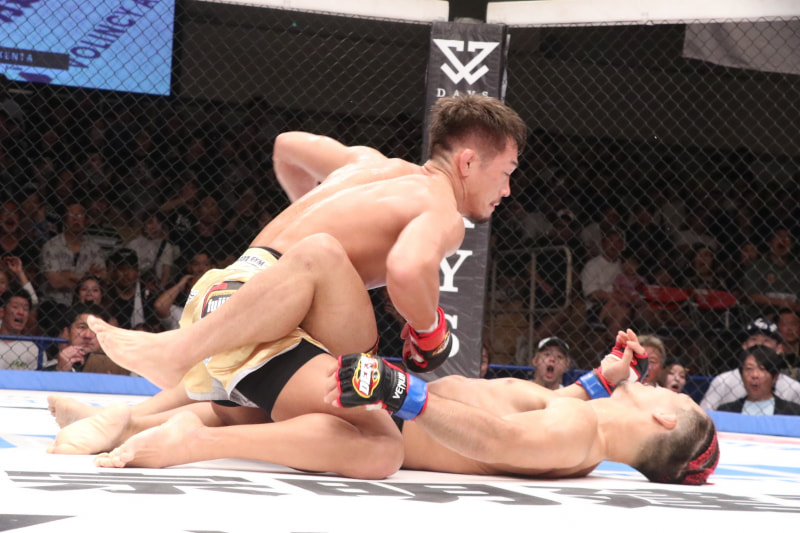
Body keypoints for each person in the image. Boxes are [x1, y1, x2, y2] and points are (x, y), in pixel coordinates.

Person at [61, 94, 527, 479]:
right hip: (267, 302)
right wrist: (429, 331)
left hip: (225, 293)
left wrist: (313, 211)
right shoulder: (441, 208)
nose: (507, 190)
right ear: (468, 161)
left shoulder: (365, 163)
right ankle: (186, 399)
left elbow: (286, 146)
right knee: (381, 443)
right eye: (506, 172)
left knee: (272, 407)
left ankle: (125, 423)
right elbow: (407, 270)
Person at [326, 330, 718, 484]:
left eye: (680, 398)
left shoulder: (579, 431)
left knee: (322, 258)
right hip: (385, 415)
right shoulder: (586, 434)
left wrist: (399, 391)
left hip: (379, 420)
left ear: (665, 418)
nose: (661, 387)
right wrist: (604, 377)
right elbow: (539, 407)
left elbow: (499, 437)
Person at [700, 317, 800, 410]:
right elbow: (704, 415)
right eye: (753, 339)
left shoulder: (792, 387)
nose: (759, 344)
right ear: (744, 345)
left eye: (766, 340)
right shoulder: (723, 382)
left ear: (779, 348)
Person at [40, 202, 106, 307]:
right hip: (54, 304)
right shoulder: (51, 246)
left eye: (80, 215)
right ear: (65, 219)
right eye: (71, 215)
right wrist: (86, 277)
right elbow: (55, 282)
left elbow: (101, 278)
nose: (76, 219)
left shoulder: (94, 248)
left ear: (86, 220)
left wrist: (68, 275)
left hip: (87, 304)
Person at [717, 345, 800, 416]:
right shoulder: (725, 411)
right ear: (741, 375)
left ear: (775, 377)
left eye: (762, 369)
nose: (755, 375)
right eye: (749, 369)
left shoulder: (794, 412)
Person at [53, 303, 129, 374]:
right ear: (67, 332)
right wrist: (61, 371)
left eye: (95, 329)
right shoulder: (50, 370)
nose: (88, 335)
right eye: (82, 327)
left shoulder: (121, 366)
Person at [0, 289, 38, 370]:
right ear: (2, 312)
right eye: (15, 307)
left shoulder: (33, 350)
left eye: (25, 309)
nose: (21, 312)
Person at [777, 308, 800, 380]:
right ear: (778, 327)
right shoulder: (772, 353)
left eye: (793, 324)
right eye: (785, 324)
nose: (790, 329)